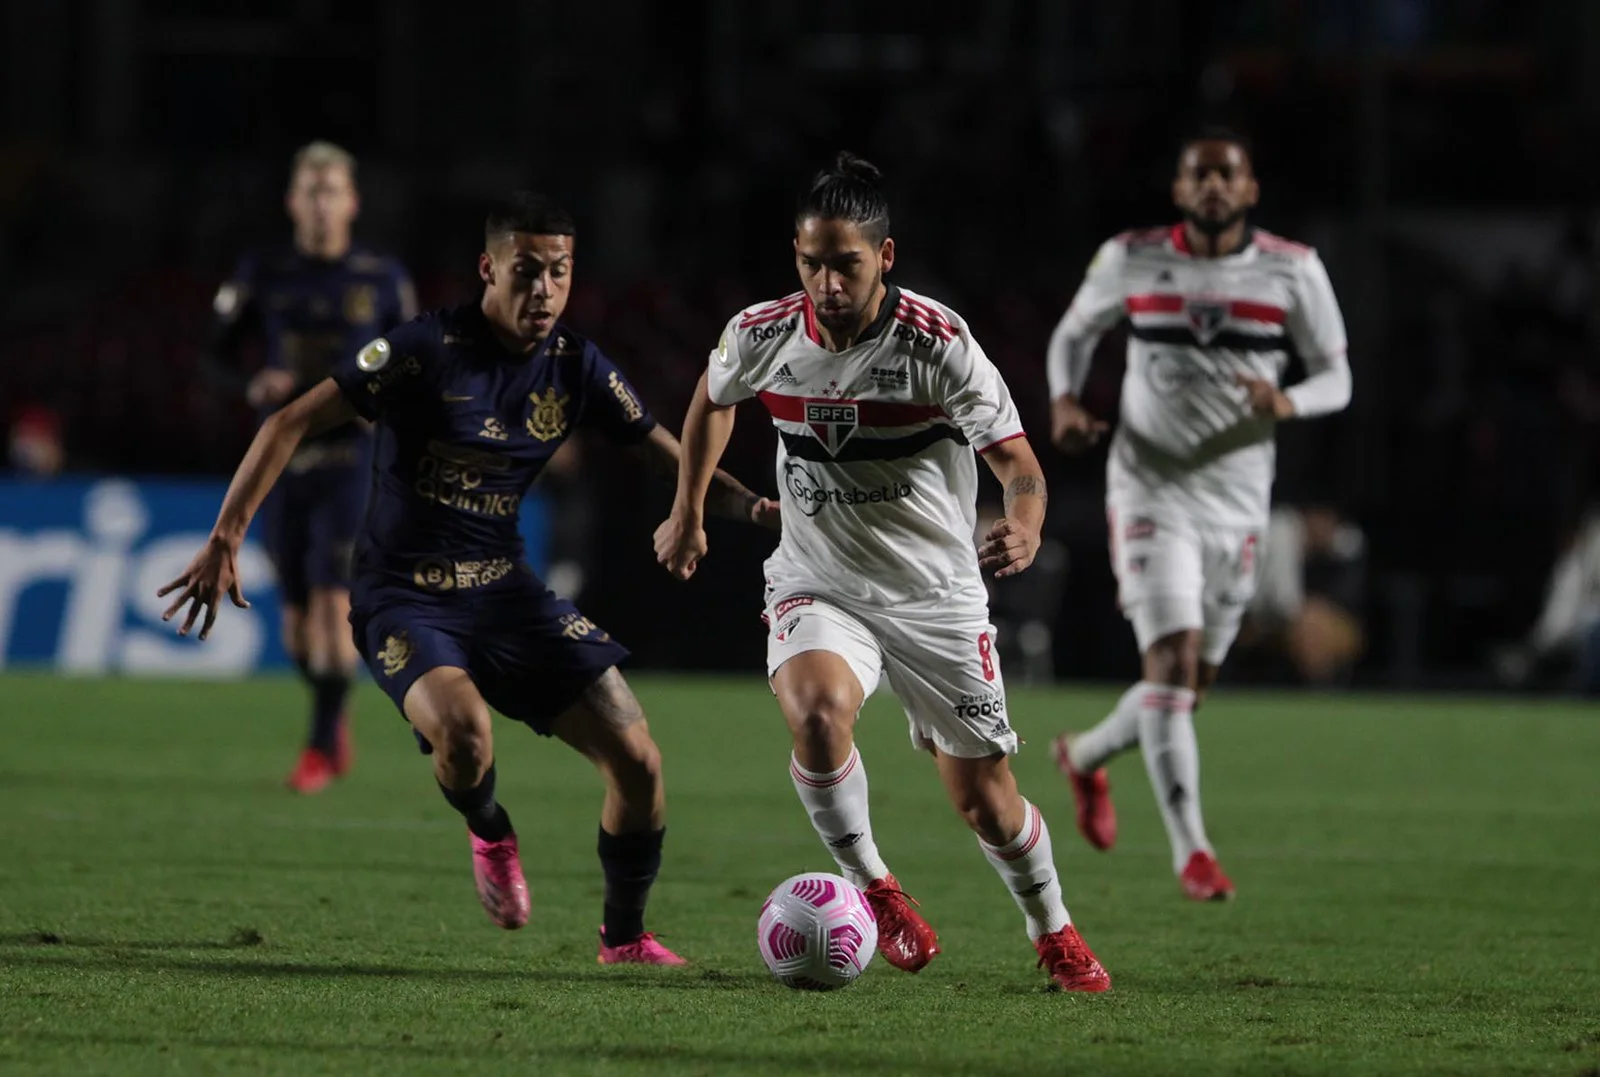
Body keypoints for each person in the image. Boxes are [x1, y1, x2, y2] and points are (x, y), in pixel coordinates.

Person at [162, 191, 776, 964]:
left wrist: (754, 510)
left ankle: (624, 937)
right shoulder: (424, 348)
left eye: (559, 272)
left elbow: (671, 457)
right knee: (463, 731)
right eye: (526, 271)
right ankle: (489, 828)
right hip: (403, 596)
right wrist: (226, 535)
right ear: (489, 268)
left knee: (639, 760)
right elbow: (286, 421)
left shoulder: (575, 366)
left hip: (505, 590)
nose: (544, 289)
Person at [656, 152, 1111, 992]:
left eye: (846, 263)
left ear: (886, 257)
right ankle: (876, 887)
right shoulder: (763, 332)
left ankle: (1054, 929)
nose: (827, 282)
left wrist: (1026, 523)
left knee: (986, 800)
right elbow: (711, 399)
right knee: (819, 714)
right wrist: (687, 512)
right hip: (818, 578)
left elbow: (1018, 462)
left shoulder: (939, 345)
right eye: (811, 262)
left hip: (935, 595)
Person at [1044, 128, 1353, 900]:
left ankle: (1082, 756)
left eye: (1228, 175)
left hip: (1238, 503)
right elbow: (1074, 333)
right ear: (1180, 190)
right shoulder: (1132, 256)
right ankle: (1194, 852)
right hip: (1151, 490)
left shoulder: (1293, 268)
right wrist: (1063, 400)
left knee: (1188, 685)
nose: (1213, 186)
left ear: (1250, 190)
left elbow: (1338, 375)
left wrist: (1289, 398)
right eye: (1199, 175)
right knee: (1172, 664)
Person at [203, 141, 416, 793]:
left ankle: (320, 746)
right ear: (294, 201)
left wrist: (387, 405)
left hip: (353, 461)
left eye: (333, 191)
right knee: (296, 623)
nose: (322, 204)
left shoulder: (380, 277)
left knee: (331, 601)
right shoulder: (262, 271)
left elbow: (418, 362)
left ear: (351, 202)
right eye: (311, 191)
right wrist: (249, 383)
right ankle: (332, 711)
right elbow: (210, 358)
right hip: (283, 461)